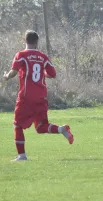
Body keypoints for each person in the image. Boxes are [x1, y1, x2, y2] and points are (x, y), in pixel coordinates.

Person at [4, 30, 74, 161]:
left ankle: (22, 156)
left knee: (17, 125)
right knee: (41, 127)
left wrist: (7, 76)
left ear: (25, 41)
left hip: (26, 97)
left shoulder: (21, 55)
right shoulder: (43, 56)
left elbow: (13, 72)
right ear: (36, 42)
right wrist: (43, 75)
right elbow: (53, 74)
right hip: (41, 97)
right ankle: (61, 129)